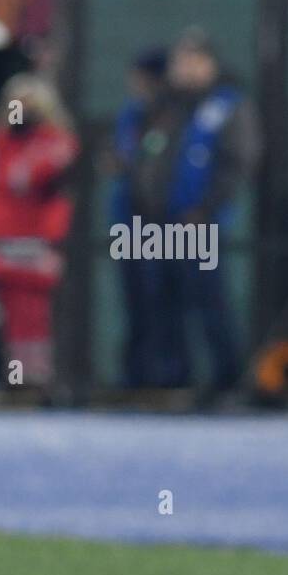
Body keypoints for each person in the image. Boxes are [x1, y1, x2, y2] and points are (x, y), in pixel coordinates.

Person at [130, 28, 259, 399]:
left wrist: (206, 208)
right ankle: (174, 379)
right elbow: (148, 160)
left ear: (209, 63)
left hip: (202, 223)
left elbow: (240, 162)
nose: (183, 69)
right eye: (179, 61)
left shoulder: (227, 105)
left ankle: (227, 381)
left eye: (191, 60)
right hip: (160, 224)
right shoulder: (165, 108)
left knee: (209, 301)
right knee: (164, 301)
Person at [0, 74, 78, 387]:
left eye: (31, 103)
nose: (24, 110)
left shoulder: (57, 141)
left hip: (40, 240)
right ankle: (16, 378)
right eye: (19, 103)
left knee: (36, 315)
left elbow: (29, 177)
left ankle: (39, 379)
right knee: (11, 314)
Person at [108, 48, 167, 389]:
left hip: (160, 225)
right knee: (132, 301)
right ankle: (135, 376)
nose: (135, 84)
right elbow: (124, 158)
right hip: (126, 222)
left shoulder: (168, 113)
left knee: (159, 300)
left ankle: (164, 377)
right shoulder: (130, 114)